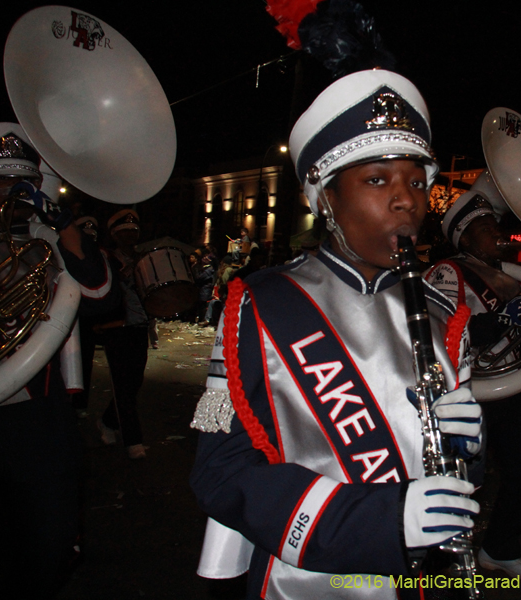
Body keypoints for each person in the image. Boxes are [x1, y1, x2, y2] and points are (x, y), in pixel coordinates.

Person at [189, 69, 482, 600]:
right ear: (325, 199)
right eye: (377, 180)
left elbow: (457, 473)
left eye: (416, 182)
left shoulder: (444, 313)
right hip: (310, 580)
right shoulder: (261, 303)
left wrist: (469, 450)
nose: (406, 201)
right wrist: (381, 522)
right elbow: (221, 472)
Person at [0, 123, 113, 598]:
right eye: (1, 185)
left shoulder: (42, 239)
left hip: (39, 410)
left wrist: (62, 222)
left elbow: (98, 293)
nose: (14, 196)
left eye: (23, 186)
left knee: (51, 540)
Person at [426, 191, 521, 577]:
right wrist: (500, 322)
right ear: (464, 237)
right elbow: (439, 333)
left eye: (495, 227)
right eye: (486, 229)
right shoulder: (447, 272)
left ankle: (499, 547)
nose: (497, 235)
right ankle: (442, 560)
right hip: (468, 391)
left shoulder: (505, 274)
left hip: (505, 385)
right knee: (461, 479)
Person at [96, 208, 150, 459]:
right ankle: (133, 441)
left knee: (134, 382)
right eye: (126, 231)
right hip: (115, 326)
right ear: (115, 235)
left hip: (138, 325)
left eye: (134, 231)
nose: (131, 235)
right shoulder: (104, 258)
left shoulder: (143, 259)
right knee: (122, 383)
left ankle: (107, 421)